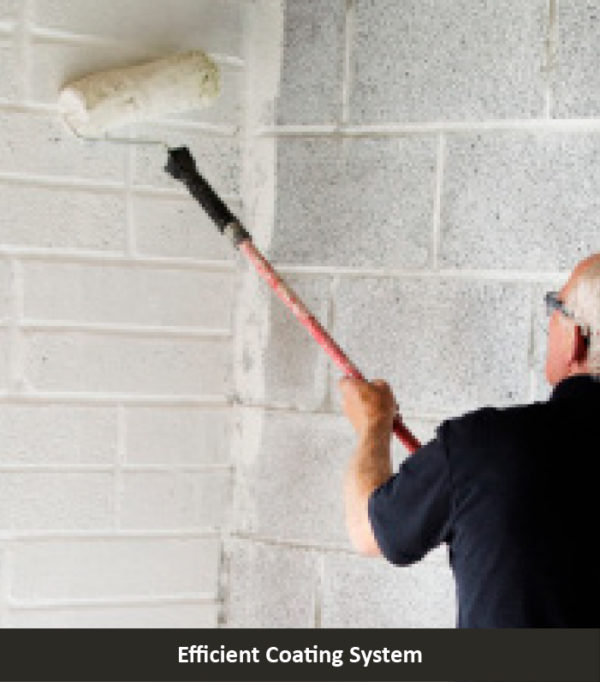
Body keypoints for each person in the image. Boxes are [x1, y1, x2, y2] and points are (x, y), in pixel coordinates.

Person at [339, 254, 600, 627]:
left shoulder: (486, 447)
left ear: (576, 337)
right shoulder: (481, 452)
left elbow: (369, 531)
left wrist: (373, 423)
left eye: (555, 306)